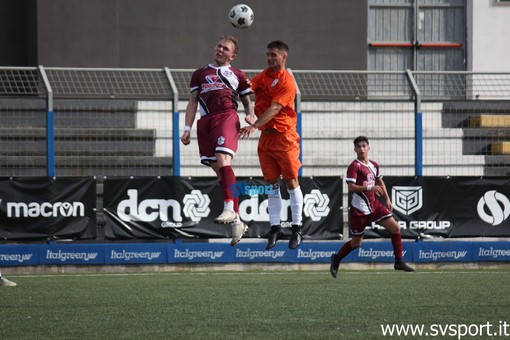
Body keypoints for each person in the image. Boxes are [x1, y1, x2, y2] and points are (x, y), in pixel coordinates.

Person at [180, 35, 253, 246]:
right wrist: (187, 128)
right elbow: (192, 102)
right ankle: (238, 220)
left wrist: (250, 116)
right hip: (205, 122)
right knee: (220, 172)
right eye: (219, 46)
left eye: (225, 48)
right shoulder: (200, 74)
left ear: (233, 55)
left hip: (226, 116)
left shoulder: (237, 74)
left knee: (223, 160)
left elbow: (248, 103)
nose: (220, 50)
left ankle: (230, 208)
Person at [240, 40, 303, 250]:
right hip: (266, 137)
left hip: (284, 136)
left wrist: (254, 125)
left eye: (273, 55)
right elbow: (246, 88)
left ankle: (296, 228)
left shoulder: (287, 81)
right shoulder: (264, 75)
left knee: (291, 182)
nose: (269, 58)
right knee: (271, 184)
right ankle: (275, 228)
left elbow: (275, 108)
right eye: (268, 54)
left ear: (284, 57)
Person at [330, 136, 414, 278]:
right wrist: (369, 187)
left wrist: (387, 199)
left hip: (374, 206)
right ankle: (337, 258)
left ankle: (399, 261)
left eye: (364, 146)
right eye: (358, 146)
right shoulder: (354, 166)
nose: (361, 149)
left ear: (369, 147)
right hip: (359, 210)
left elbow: (380, 182)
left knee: (395, 228)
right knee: (356, 243)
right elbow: (350, 187)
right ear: (355, 149)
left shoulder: (374, 165)